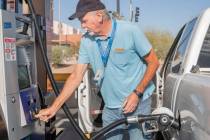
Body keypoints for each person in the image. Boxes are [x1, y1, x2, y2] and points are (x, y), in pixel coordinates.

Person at [35, 0, 159, 139]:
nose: (82, 25)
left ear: (99, 16)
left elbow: (154, 62)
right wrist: (54, 108)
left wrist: (137, 93)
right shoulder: (87, 41)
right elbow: (76, 76)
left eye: (84, 20)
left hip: (138, 103)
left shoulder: (129, 30)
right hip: (111, 108)